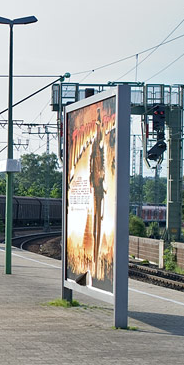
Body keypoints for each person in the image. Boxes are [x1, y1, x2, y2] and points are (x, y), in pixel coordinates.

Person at [89, 108, 106, 278]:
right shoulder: (96, 146)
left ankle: (97, 252)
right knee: (96, 219)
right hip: (96, 189)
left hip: (100, 189)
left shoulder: (101, 147)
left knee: (99, 219)